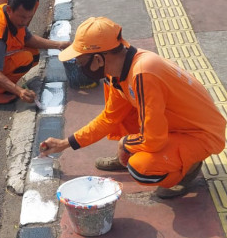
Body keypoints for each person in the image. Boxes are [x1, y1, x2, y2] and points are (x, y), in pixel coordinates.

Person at [40, 16, 226, 198]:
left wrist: (126, 144)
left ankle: (187, 168)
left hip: (201, 134)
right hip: (175, 125)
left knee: (141, 168)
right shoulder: (117, 71)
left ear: (98, 59)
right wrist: (64, 143)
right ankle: (136, 153)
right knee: (123, 116)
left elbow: (154, 140)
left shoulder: (143, 74)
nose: (80, 67)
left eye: (81, 62)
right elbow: (109, 118)